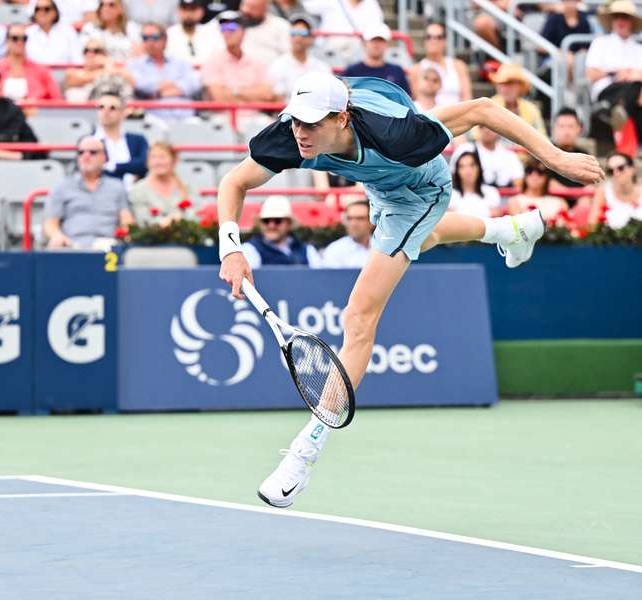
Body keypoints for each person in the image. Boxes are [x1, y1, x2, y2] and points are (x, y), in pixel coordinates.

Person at [216, 72, 602, 508]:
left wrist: (556, 159)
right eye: (296, 121)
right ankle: (511, 230)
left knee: (358, 317)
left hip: (421, 190)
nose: (301, 133)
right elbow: (234, 182)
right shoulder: (293, 137)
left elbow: (482, 109)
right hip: (379, 183)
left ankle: (305, 452)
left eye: (311, 122)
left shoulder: (398, 134)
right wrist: (231, 249)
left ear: (343, 118)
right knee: (422, 239)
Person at [43, 135, 135, 249]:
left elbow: (126, 220)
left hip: (109, 248)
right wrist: (57, 236)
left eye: (93, 152)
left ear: (104, 157)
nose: (86, 156)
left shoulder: (117, 187)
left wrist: (126, 235)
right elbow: (50, 222)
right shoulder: (62, 186)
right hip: (72, 246)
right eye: (81, 152)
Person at [584, 1, 642, 151]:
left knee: (636, 89)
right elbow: (590, 73)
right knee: (636, 89)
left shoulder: (638, 48)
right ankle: (621, 110)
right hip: (607, 90)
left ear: (631, 22)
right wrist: (616, 73)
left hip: (634, 91)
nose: (620, 21)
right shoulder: (600, 43)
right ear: (612, 20)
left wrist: (632, 76)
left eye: (625, 17)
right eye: (617, 17)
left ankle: (621, 111)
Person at [201, 11, 276, 125]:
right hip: (223, 117)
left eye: (232, 27)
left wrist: (233, 92)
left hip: (254, 118)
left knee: (268, 126)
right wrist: (251, 95)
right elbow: (219, 98)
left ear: (243, 31)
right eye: (223, 28)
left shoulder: (256, 62)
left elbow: (266, 95)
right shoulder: (212, 60)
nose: (226, 32)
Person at [127, 22, 201, 121]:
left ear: (164, 39)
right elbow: (141, 85)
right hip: (152, 119)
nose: (150, 42)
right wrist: (173, 83)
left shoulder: (180, 62)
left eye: (154, 37)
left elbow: (194, 83)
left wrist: (159, 94)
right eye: (145, 38)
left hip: (185, 116)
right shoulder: (134, 64)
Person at [240, 195, 321, 268]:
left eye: (277, 220)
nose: (271, 225)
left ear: (288, 223)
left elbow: (320, 278)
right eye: (266, 220)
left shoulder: (307, 250)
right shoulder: (249, 250)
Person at [268, 14, 332, 101]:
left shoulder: (322, 67)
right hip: (288, 113)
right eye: (293, 33)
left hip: (316, 112)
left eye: (302, 33)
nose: (297, 38)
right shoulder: (278, 65)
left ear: (311, 38)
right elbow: (278, 100)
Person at [0, 23, 62, 102]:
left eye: (24, 38)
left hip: (35, 113)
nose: (20, 42)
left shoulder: (41, 70)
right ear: (7, 41)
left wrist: (38, 103)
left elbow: (57, 100)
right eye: (15, 38)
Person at [93, 90, 149, 187]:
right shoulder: (89, 141)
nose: (106, 112)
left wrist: (112, 166)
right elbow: (92, 171)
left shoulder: (138, 140)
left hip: (135, 196)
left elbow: (143, 165)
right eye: (101, 107)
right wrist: (129, 170)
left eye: (112, 108)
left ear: (123, 112)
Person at [129, 142, 191, 225]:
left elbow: (194, 214)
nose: (157, 162)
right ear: (147, 162)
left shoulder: (186, 186)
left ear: (174, 160)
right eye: (153, 157)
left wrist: (179, 220)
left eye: (162, 157)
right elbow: (143, 220)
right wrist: (169, 222)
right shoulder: (137, 189)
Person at [412, 22, 472, 107]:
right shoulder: (416, 70)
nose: (433, 41)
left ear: (445, 41)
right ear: (424, 41)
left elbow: (467, 99)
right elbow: (417, 101)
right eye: (429, 37)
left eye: (439, 37)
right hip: (430, 117)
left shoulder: (459, 66)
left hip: (458, 116)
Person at [343, 23, 410, 96]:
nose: (376, 44)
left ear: (387, 43)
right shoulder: (351, 72)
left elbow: (406, 98)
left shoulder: (397, 71)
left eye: (381, 40)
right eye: (373, 40)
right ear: (365, 43)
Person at [451, 126, 525, 189]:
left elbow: (519, 183)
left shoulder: (509, 155)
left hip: (504, 199)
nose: (486, 130)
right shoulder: (465, 149)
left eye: (491, 127)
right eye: (482, 126)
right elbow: (453, 177)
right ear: (477, 129)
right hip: (473, 199)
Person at [63, 40, 135, 102]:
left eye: (96, 51)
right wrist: (108, 67)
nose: (90, 54)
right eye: (86, 50)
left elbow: (132, 82)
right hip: (78, 114)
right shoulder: (72, 72)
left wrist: (108, 65)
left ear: (104, 55)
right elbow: (84, 78)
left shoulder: (114, 71)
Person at [490, 63, 546, 138]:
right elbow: (476, 135)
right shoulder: (490, 106)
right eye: (502, 84)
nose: (505, 88)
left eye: (510, 83)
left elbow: (542, 137)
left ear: (520, 86)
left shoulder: (531, 109)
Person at [588, 152, 642, 229]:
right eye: (610, 170)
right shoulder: (604, 192)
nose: (616, 173)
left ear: (632, 169)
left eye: (621, 168)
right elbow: (592, 224)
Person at [549, 108, 595, 195]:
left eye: (571, 126)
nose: (566, 132)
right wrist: (580, 193)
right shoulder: (546, 152)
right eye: (561, 126)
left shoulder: (585, 156)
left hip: (581, 202)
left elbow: (591, 186)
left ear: (579, 129)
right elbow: (548, 185)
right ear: (554, 128)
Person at [448, 151, 503, 219]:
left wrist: (459, 212)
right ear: (457, 171)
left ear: (479, 168)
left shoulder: (491, 192)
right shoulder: (450, 195)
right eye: (462, 166)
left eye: (472, 165)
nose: (468, 171)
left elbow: (496, 216)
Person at [26, 0, 83, 65]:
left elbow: (78, 59)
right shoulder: (28, 33)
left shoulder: (68, 32)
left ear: (55, 12)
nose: (42, 12)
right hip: (35, 74)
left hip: (64, 73)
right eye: (37, 9)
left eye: (46, 9)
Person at [236, 0, 290, 65]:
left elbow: (289, 56)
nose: (245, 10)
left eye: (252, 7)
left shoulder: (281, 26)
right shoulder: (228, 22)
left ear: (265, 8)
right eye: (244, 5)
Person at [321, 199, 371, 268]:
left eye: (360, 218)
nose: (354, 224)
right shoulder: (335, 250)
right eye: (349, 218)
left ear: (372, 221)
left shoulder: (382, 248)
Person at [166, 0, 214, 65]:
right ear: (178, 11)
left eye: (193, 9)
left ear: (201, 11)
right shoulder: (169, 35)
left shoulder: (211, 34)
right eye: (184, 9)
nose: (188, 14)